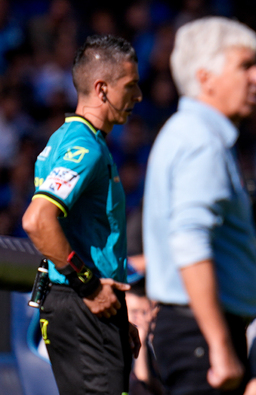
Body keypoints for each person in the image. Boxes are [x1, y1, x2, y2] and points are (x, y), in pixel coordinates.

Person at [143, 17, 256, 394]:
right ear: (206, 77)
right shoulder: (201, 141)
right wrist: (218, 344)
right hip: (199, 335)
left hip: (193, 331)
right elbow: (190, 241)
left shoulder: (191, 133)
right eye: (245, 65)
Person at [21, 34, 143, 394]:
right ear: (102, 88)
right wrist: (89, 286)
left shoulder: (64, 137)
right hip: (80, 305)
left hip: (86, 308)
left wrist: (116, 314)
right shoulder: (83, 146)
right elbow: (37, 219)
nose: (138, 97)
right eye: (131, 86)